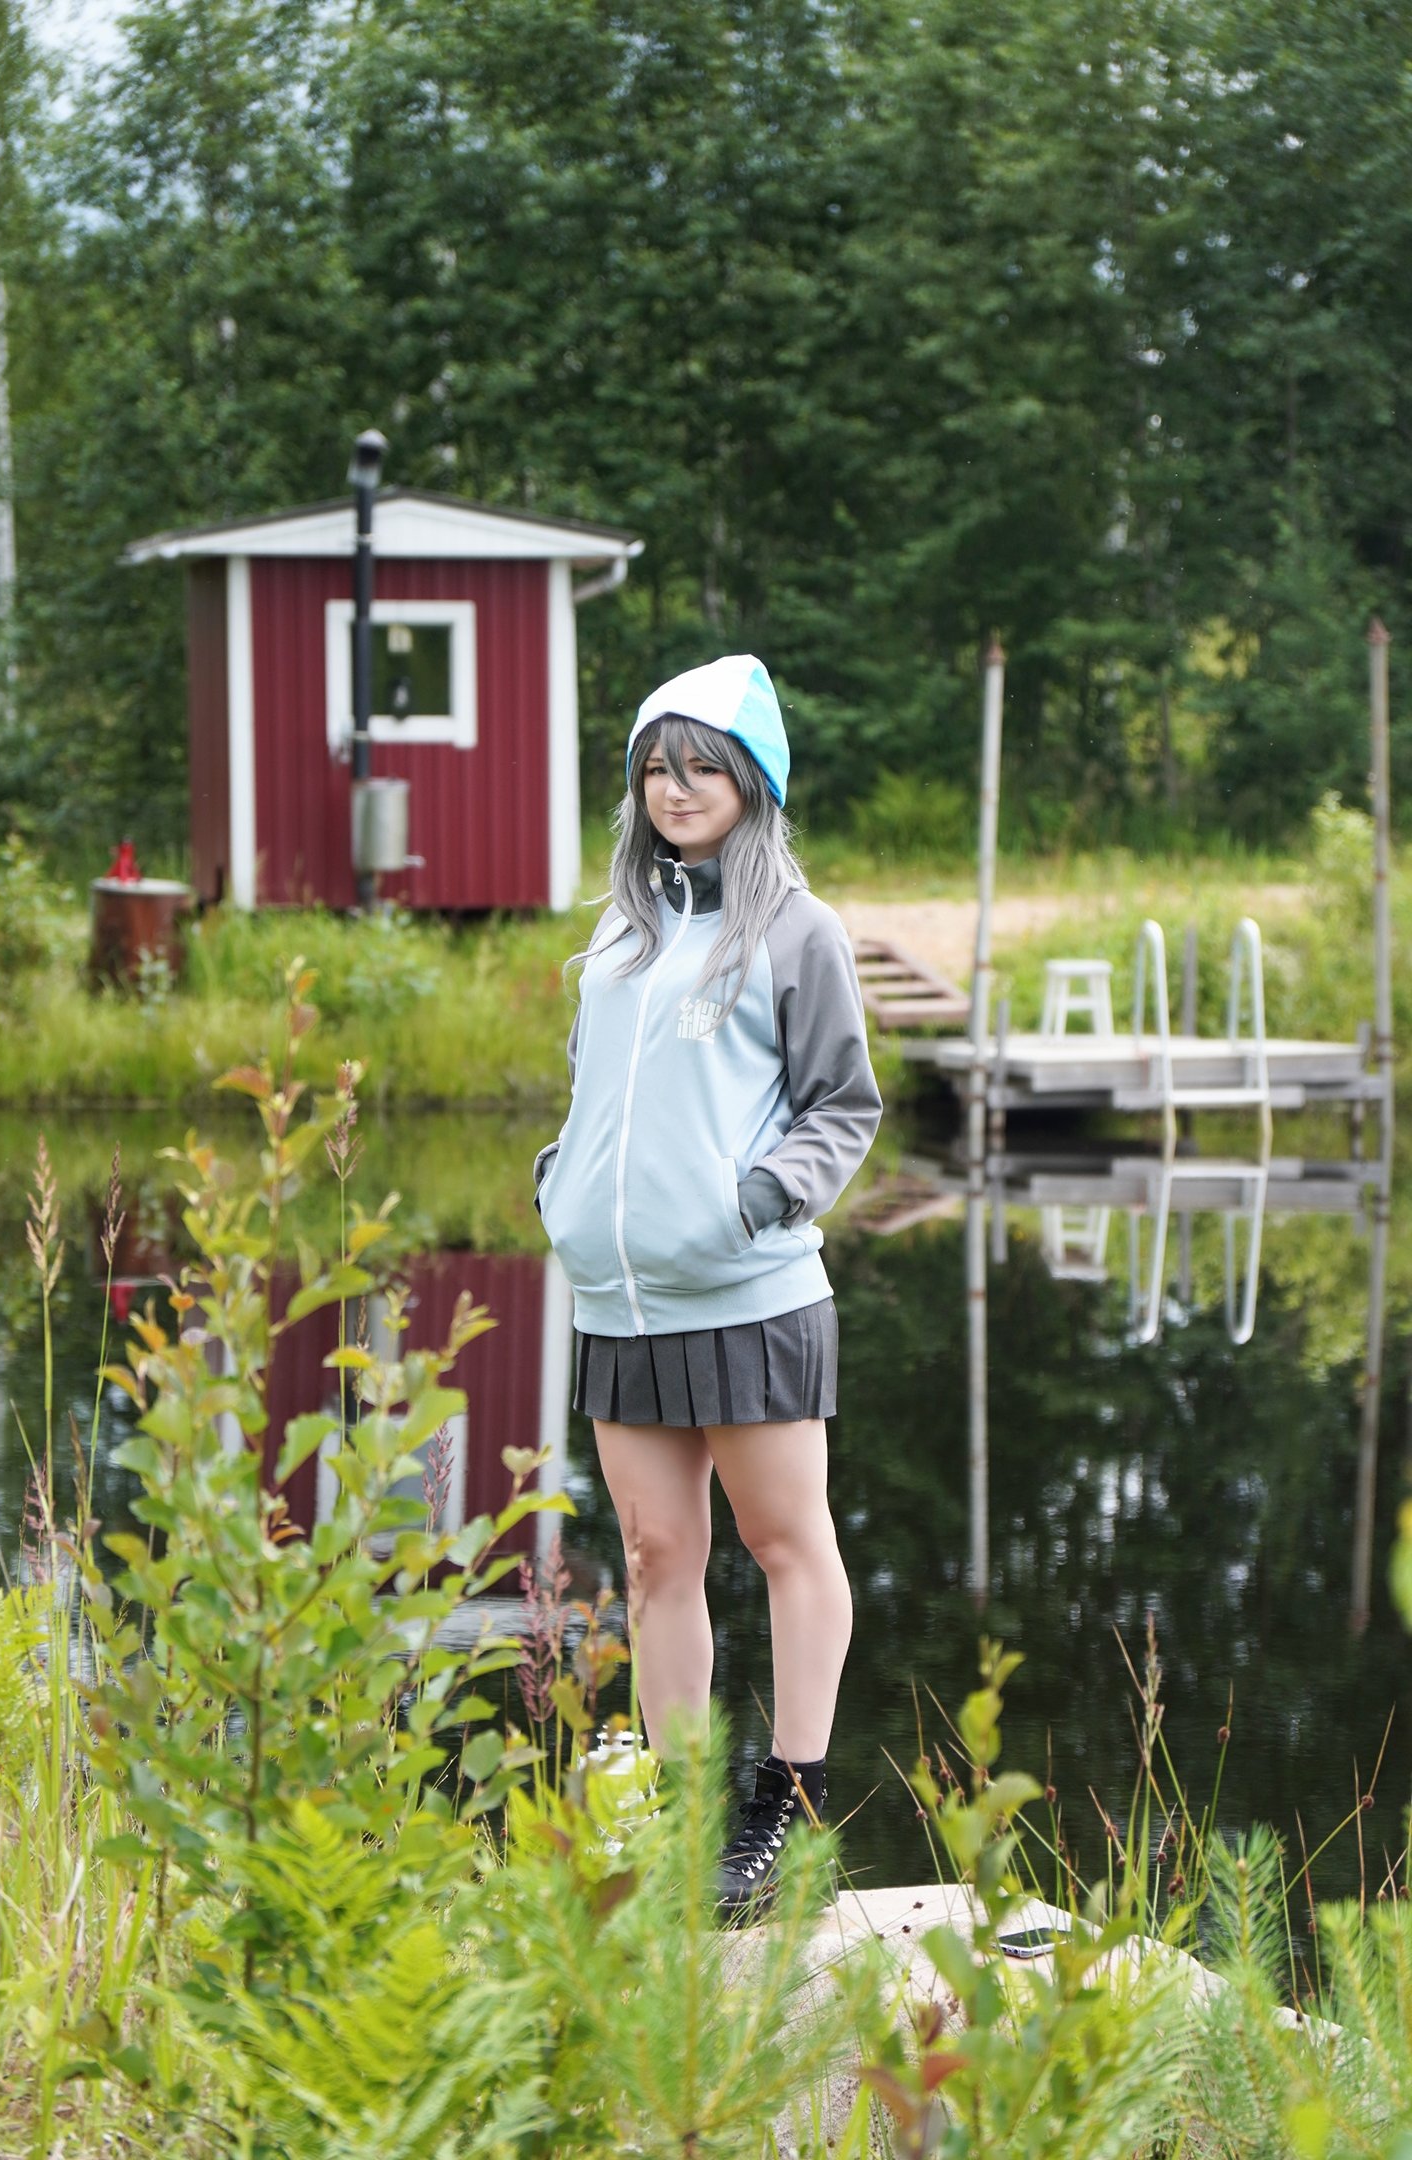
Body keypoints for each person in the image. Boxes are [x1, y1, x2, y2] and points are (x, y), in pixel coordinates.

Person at [533, 653, 881, 1914]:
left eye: (702, 767)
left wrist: (757, 1198)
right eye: (656, 768)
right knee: (653, 1556)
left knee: (786, 1543)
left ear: (752, 781)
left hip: (748, 1294)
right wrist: (562, 1183)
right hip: (620, 1303)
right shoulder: (621, 932)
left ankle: (786, 1801)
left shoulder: (797, 930)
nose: (676, 789)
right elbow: (597, 1094)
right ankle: (681, 1819)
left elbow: (845, 1104)